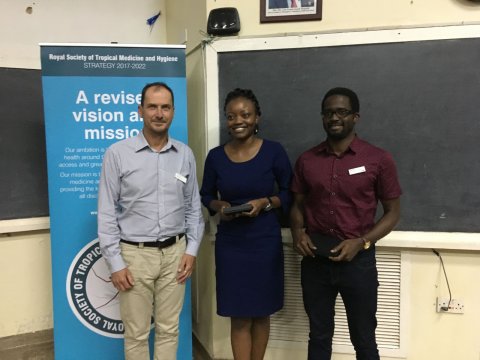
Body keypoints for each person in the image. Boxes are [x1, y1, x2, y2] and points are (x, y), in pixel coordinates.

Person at [290, 87, 402, 360]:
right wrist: (297, 232)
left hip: (358, 262)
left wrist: (362, 242)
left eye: (341, 111)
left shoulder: (378, 159)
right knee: (318, 335)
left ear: (355, 117)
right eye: (328, 112)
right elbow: (296, 205)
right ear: (322, 118)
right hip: (316, 261)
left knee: (364, 338)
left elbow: (393, 213)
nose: (334, 118)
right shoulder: (307, 160)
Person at [97, 82, 204, 360]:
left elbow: (194, 208)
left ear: (173, 112)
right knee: (137, 334)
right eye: (152, 107)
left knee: (169, 330)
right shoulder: (117, 154)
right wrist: (116, 263)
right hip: (134, 256)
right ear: (140, 111)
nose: (159, 113)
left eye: (165, 107)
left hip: (176, 255)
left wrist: (191, 250)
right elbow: (107, 212)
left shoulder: (185, 155)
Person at [200, 88, 293, 360]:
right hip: (231, 245)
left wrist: (265, 202)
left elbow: (291, 192)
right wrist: (220, 207)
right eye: (231, 116)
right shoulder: (216, 157)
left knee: (261, 312)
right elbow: (206, 195)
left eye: (245, 114)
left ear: (257, 118)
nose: (238, 120)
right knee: (239, 317)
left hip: (264, 241)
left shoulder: (274, 152)